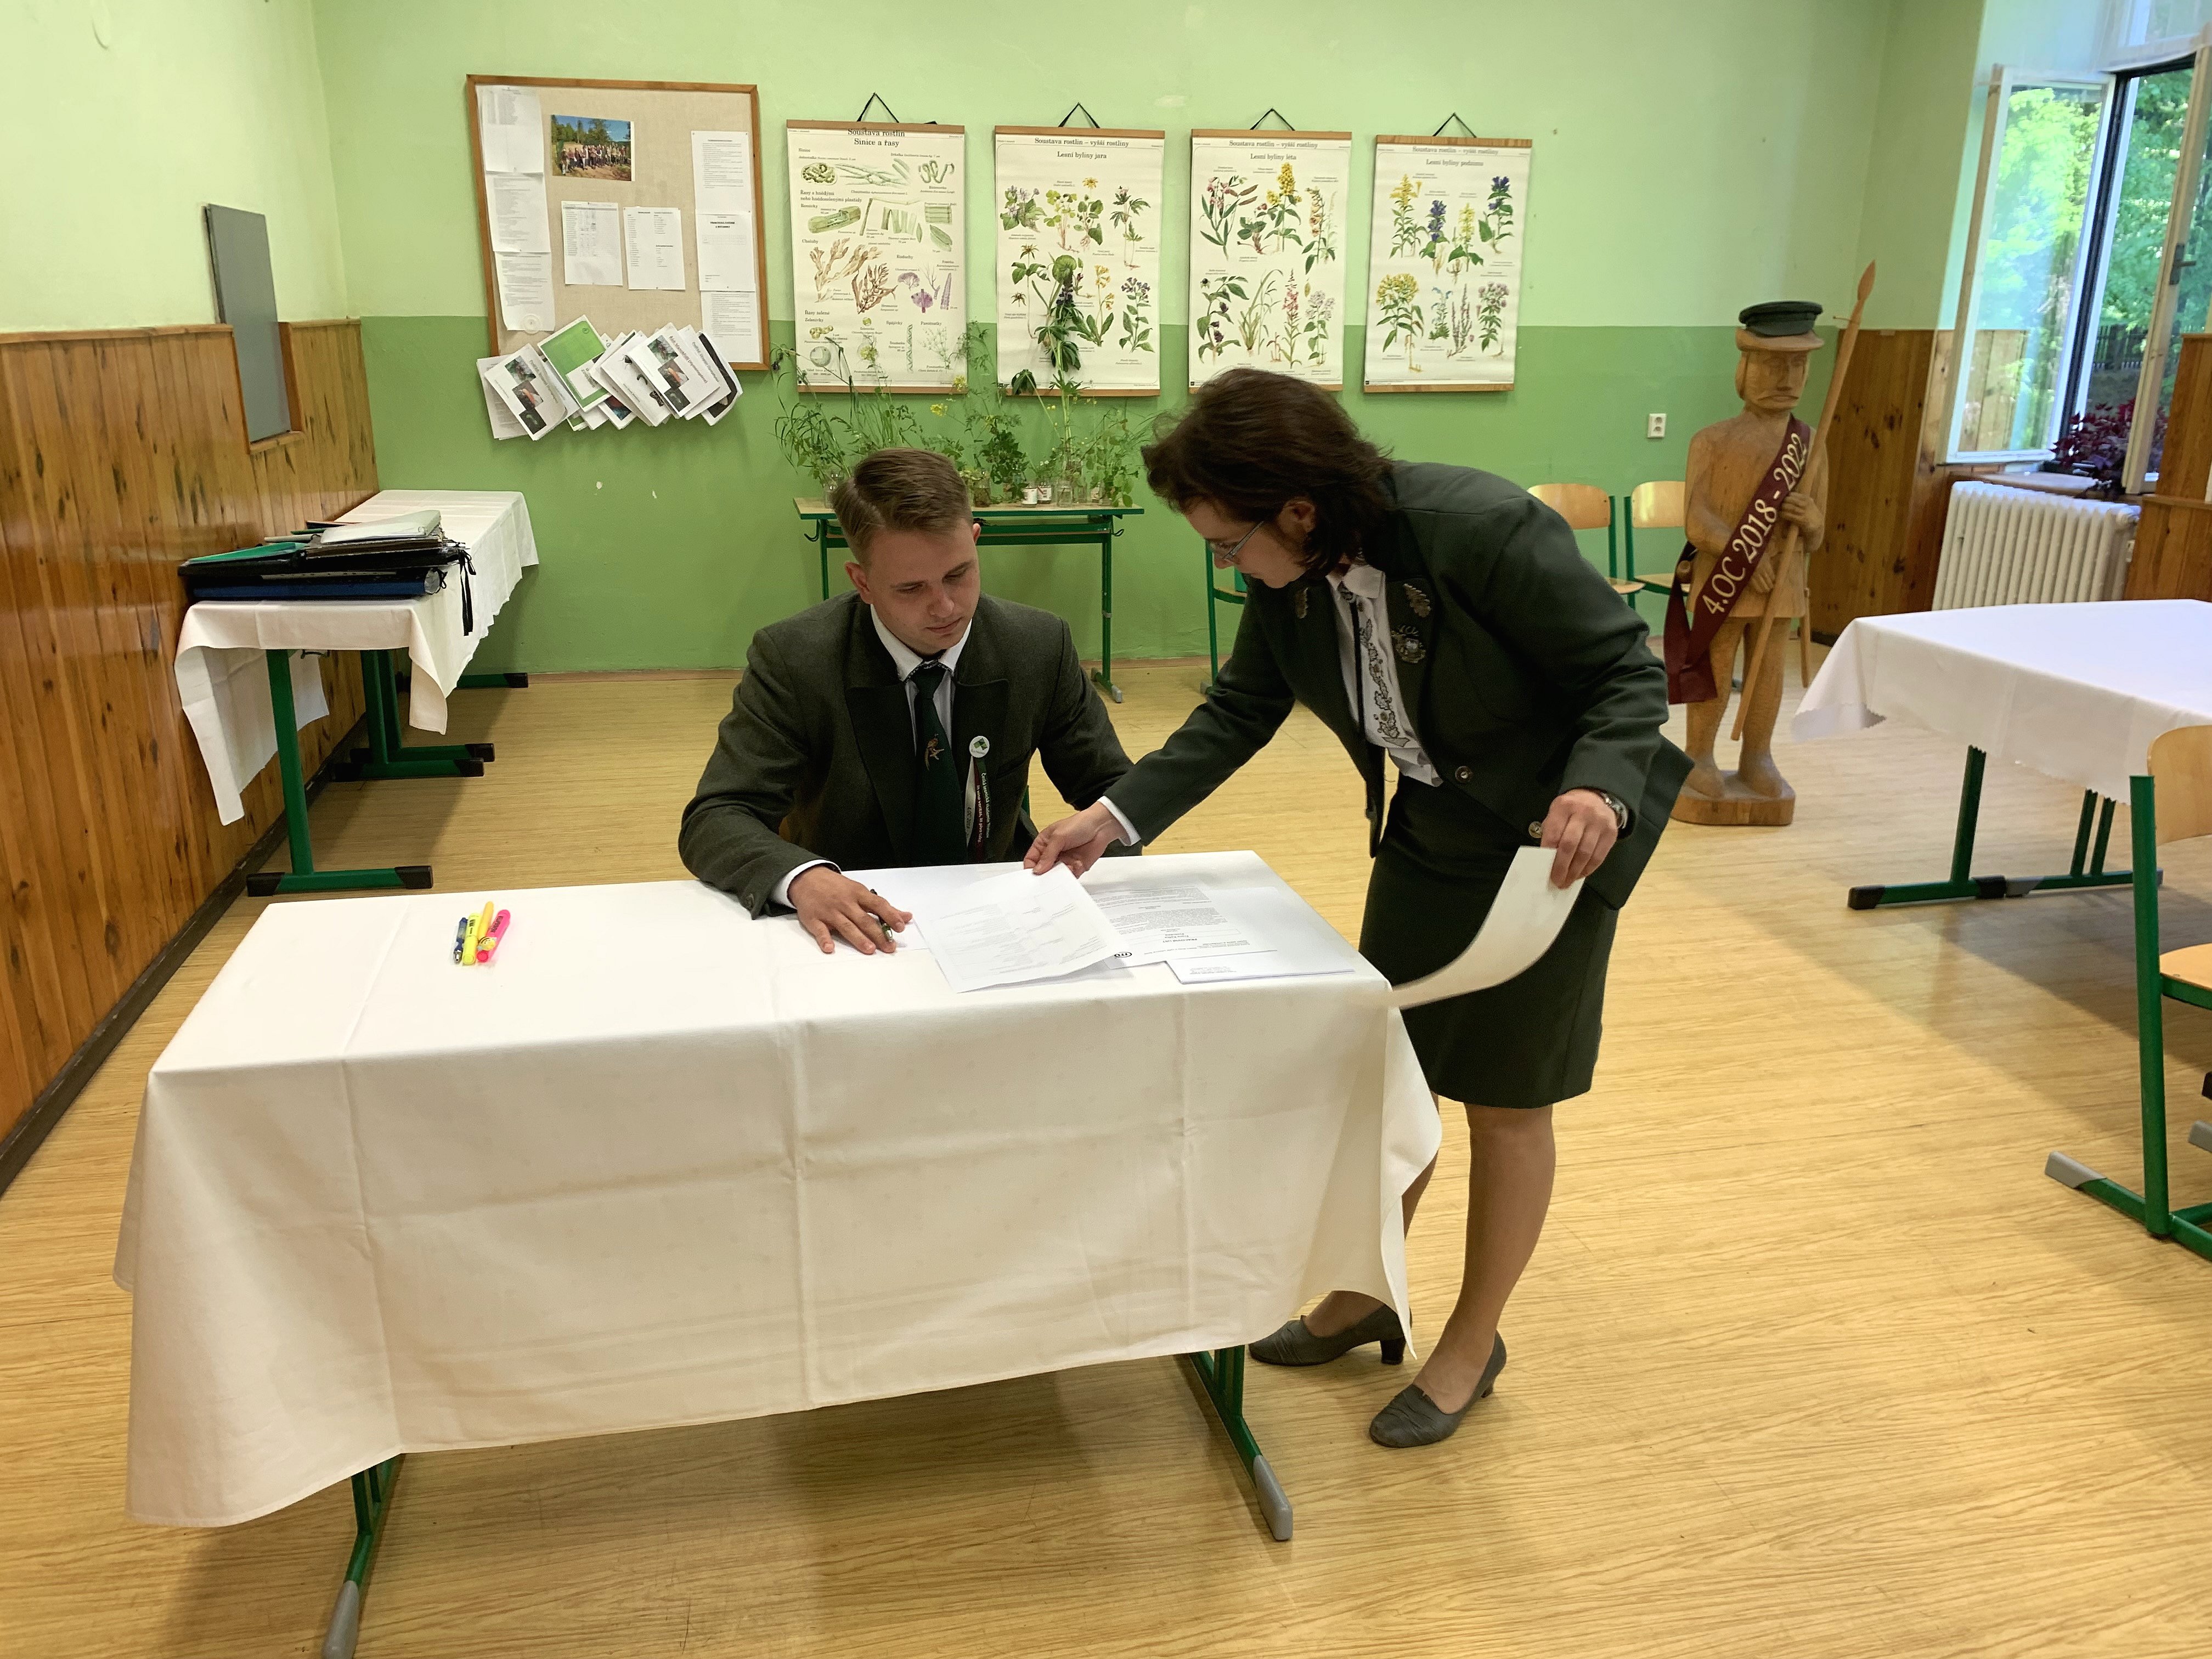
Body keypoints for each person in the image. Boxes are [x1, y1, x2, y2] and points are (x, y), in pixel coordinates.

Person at [1024, 369, 1689, 1449]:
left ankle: (1471, 1341)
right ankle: (1365, 1289)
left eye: (1229, 544)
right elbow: (1240, 708)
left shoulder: (1477, 526)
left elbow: (1624, 670)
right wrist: (1115, 816)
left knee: (1508, 1100)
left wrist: (1600, 786)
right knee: (1393, 1071)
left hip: (1552, 844)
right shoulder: (1293, 575)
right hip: (1431, 830)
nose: (1226, 564)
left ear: (1298, 508)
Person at [681, 447, 1133, 952]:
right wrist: (803, 879)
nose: (945, 606)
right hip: (852, 917)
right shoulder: (795, 659)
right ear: (863, 582)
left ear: (975, 540)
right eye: (911, 588)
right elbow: (718, 815)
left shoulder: (1038, 646)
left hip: (999, 913)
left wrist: (1100, 843)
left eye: (958, 574)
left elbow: (1114, 789)